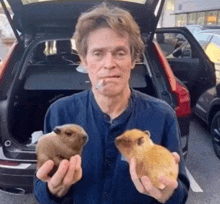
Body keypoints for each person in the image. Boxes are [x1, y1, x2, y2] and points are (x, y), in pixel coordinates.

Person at [34, 2, 189, 204]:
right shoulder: (60, 114)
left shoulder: (161, 115)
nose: (109, 64)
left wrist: (169, 195)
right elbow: (40, 185)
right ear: (84, 60)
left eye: (120, 53)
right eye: (98, 53)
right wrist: (52, 191)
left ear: (133, 60)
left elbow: (180, 190)